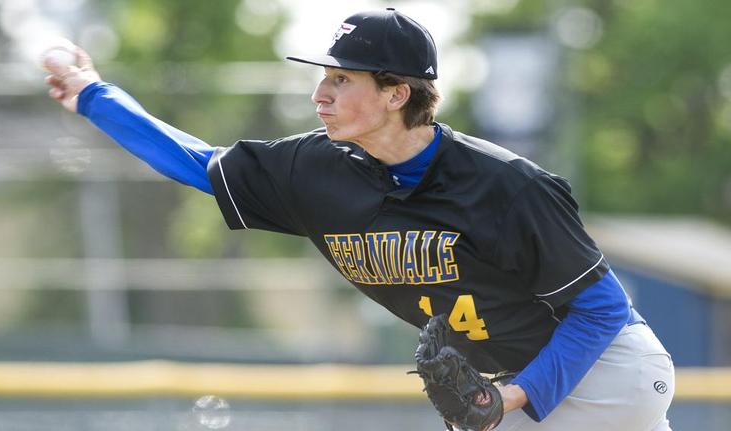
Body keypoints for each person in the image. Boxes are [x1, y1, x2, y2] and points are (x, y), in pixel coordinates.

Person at [43, 8, 674, 430]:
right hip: (507, 386)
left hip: (603, 375)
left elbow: (602, 310)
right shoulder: (314, 170)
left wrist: (506, 400)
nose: (321, 93)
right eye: (325, 77)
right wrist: (95, 96)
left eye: (342, 79)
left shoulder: (507, 186)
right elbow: (198, 163)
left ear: (398, 94)